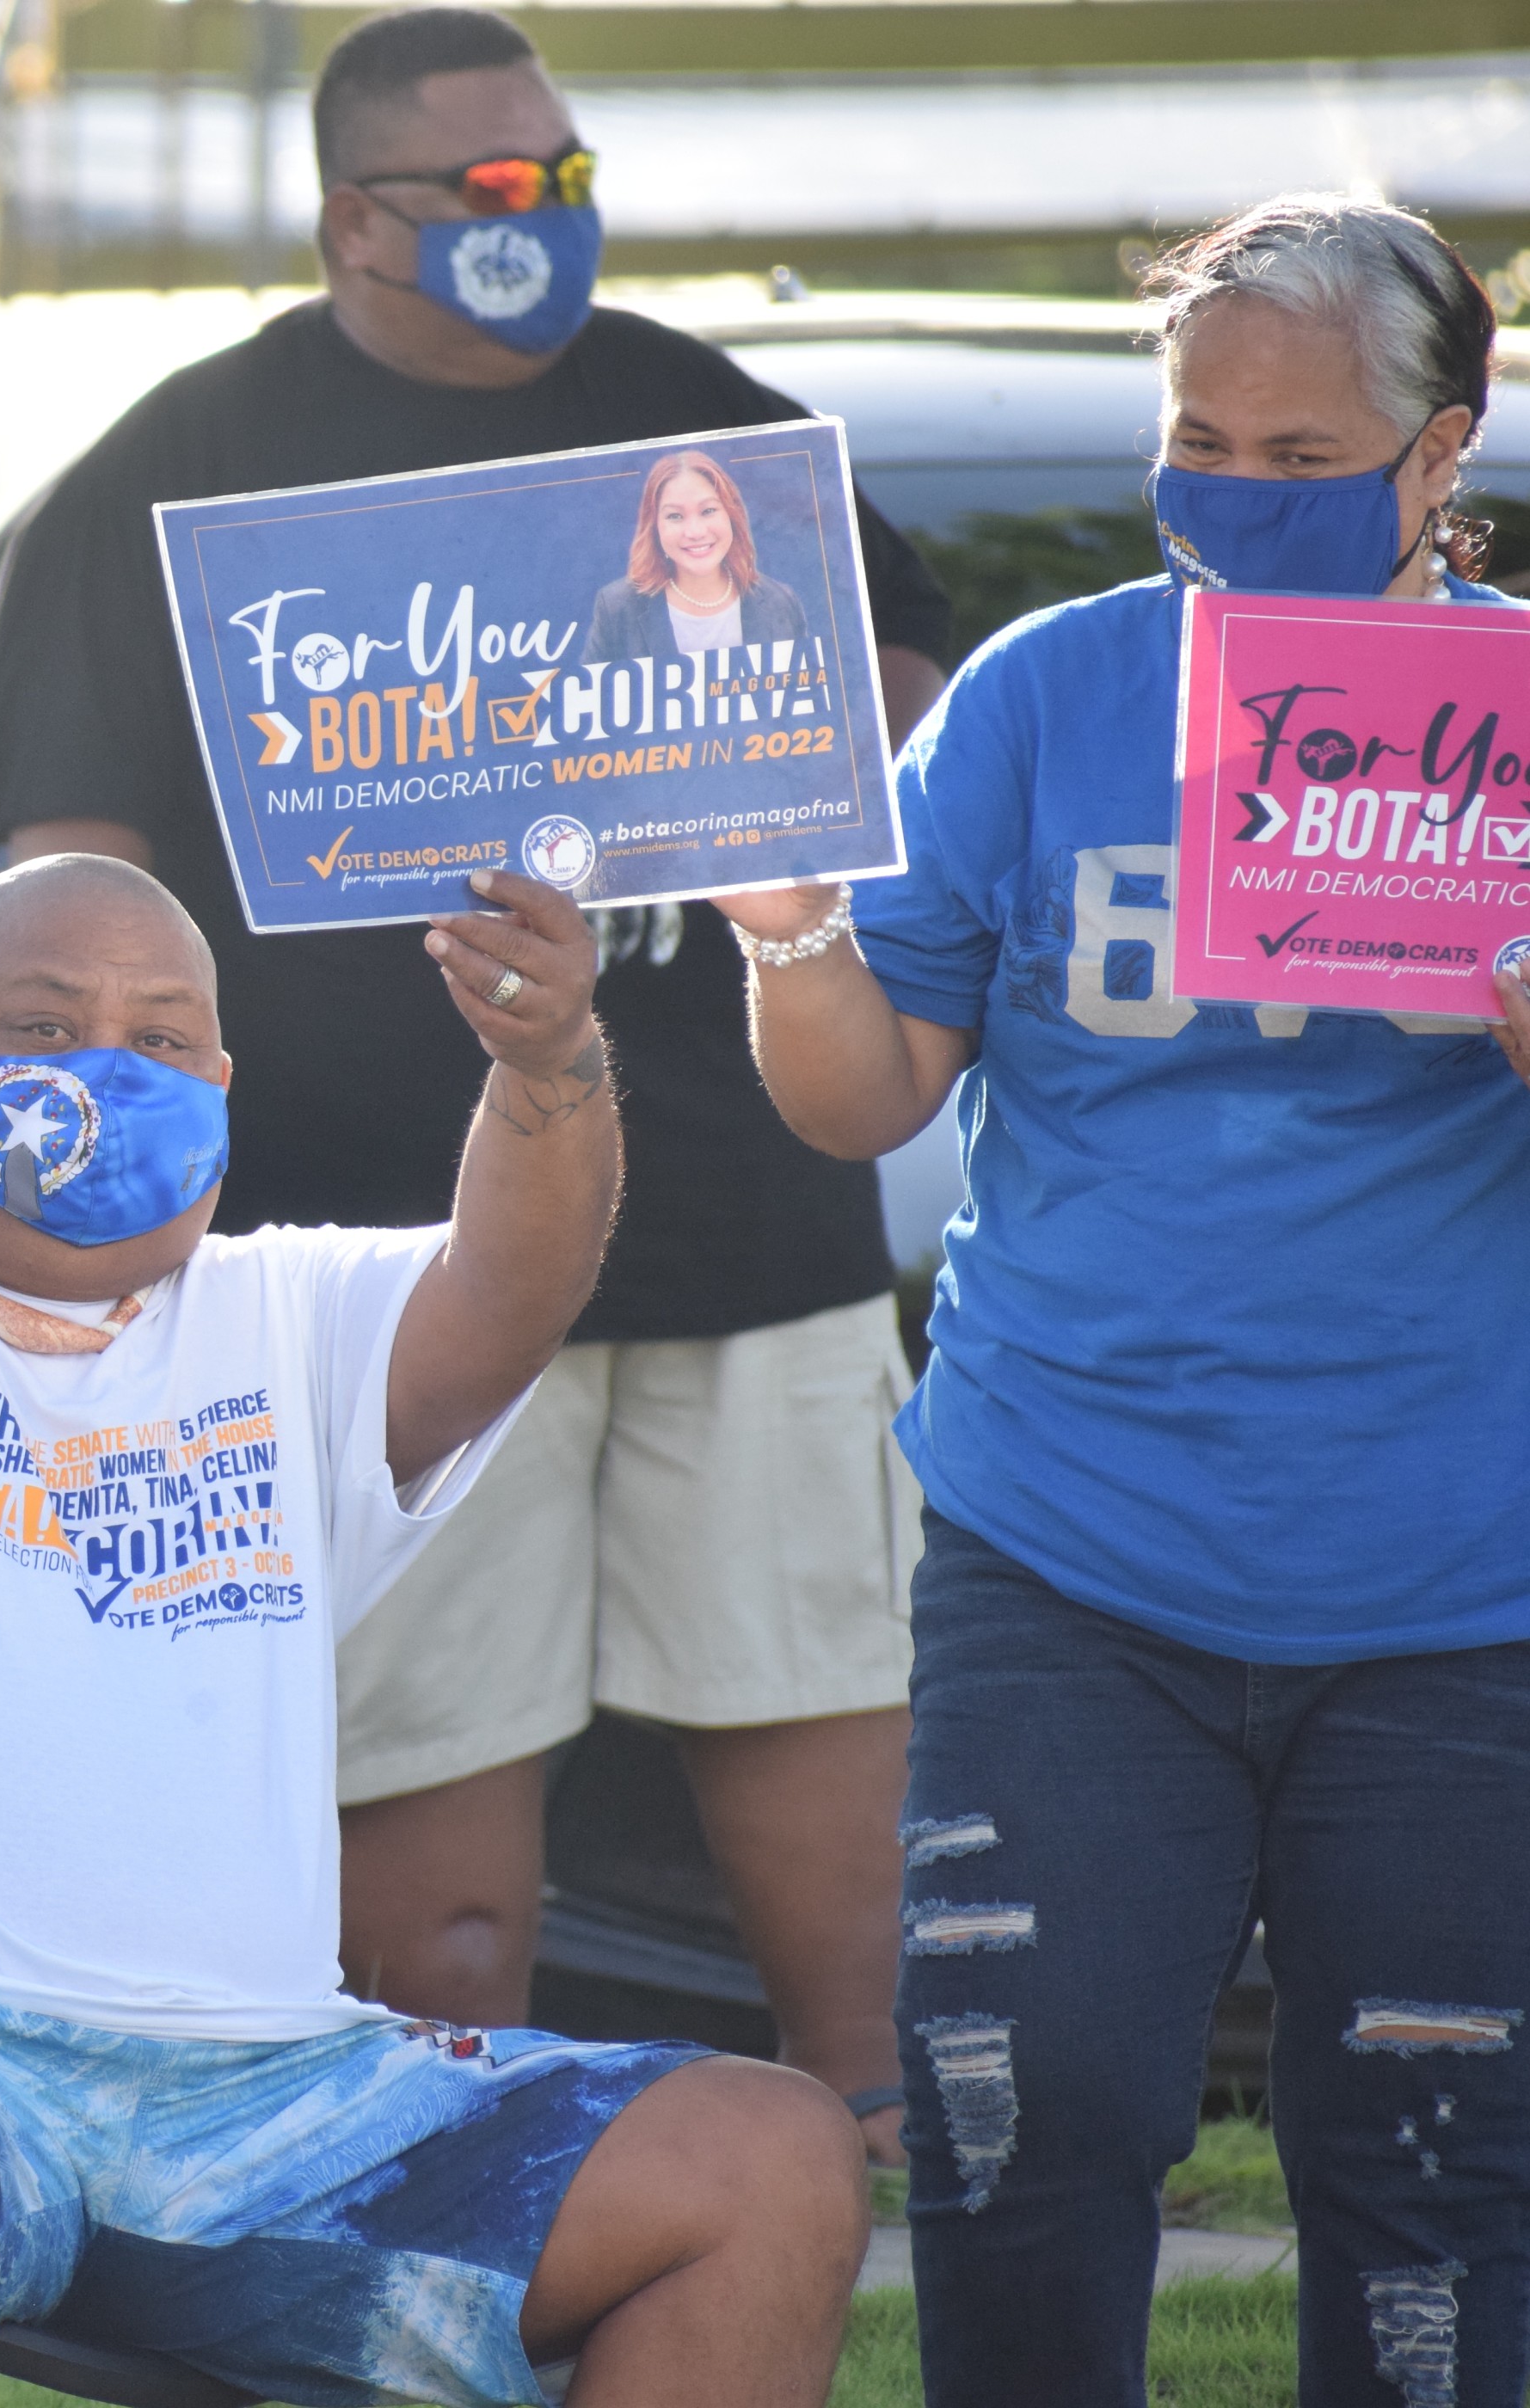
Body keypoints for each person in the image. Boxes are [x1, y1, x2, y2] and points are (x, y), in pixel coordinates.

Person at [0, 524, 868, 2408]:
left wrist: (550, 1061)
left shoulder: (281, 1319)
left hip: (261, 2094)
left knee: (767, 2155)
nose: (106, 1066)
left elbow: (511, 1281)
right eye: (41, 1029)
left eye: (161, 1038)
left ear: (227, 1091)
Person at [0, 0, 955, 2164]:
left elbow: (915, 721)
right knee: (438, 1858)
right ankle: (439, 2170)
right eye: (492, 195)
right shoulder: (164, 476)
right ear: (354, 218)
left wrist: (820, 755)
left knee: (815, 1734)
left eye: (569, 182)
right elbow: (62, 872)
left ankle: (888, 2156)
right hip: (376, 1268)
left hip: (744, 1221)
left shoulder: (715, 435)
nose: (545, 227)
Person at [722, 194, 1530, 2405]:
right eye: (1201, 443)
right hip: (1066, 1547)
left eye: (1300, 459)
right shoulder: (1041, 690)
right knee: (1023, 2126)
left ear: (1438, 450)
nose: (1233, 497)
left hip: (1462, 1583)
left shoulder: (1526, 717)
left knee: (1438, 2162)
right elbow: (860, 1093)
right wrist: (788, 925)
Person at [583, 448, 812, 665]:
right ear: (654, 527)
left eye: (708, 511)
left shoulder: (781, 603)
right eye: (675, 516)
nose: (695, 532)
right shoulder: (617, 609)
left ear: (732, 516)